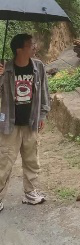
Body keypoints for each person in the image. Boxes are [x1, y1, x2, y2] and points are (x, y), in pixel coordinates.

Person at [0, 34, 50, 213]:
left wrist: (42, 115)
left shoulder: (38, 66)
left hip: (31, 121)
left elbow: (44, 91)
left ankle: (30, 193)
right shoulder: (5, 68)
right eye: (30, 45)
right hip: (9, 124)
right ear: (19, 49)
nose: (34, 47)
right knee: (4, 161)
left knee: (31, 160)